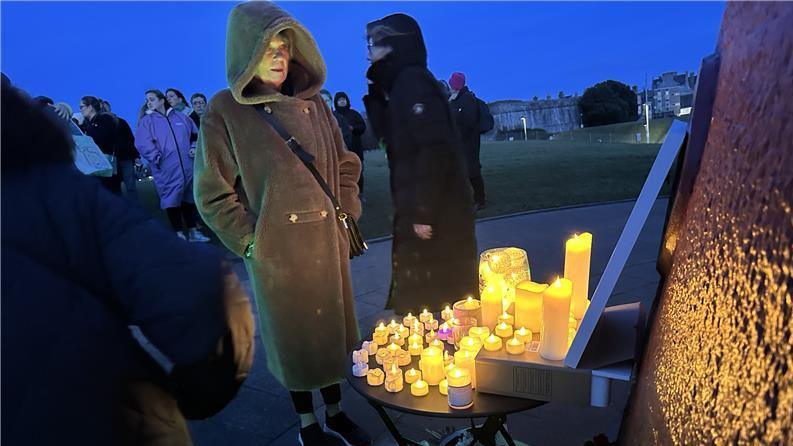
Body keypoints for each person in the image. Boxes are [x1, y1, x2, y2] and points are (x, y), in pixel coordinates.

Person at [1, 83, 254, 445]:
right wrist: (193, 394)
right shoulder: (43, 189)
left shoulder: (170, 119)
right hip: (113, 416)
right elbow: (196, 291)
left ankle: (189, 231)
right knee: (166, 208)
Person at [194, 3, 369, 445]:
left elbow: (347, 165)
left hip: (327, 248)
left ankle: (336, 410)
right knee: (295, 343)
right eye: (266, 47)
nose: (277, 56)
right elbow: (212, 192)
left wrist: (346, 211)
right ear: (244, 52)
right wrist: (253, 241)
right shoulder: (224, 110)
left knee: (328, 336)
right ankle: (307, 425)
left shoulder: (316, 105)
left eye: (283, 47)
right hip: (278, 256)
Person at [363, 13, 478, 314]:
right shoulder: (400, 84)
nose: (369, 53)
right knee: (424, 290)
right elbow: (390, 139)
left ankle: (446, 351)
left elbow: (433, 148)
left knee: (439, 292)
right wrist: (375, 96)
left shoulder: (413, 80)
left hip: (439, 212)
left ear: (393, 46)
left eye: (374, 44)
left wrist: (422, 211)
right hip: (420, 206)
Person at [135, 89, 210, 242]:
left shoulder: (182, 118)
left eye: (152, 99)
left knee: (188, 199)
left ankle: (194, 232)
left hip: (187, 167)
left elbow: (195, 135)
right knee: (171, 200)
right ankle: (179, 234)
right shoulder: (147, 122)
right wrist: (155, 156)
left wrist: (194, 147)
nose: (149, 102)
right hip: (165, 169)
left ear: (162, 100)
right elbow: (142, 143)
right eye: (147, 100)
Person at [448, 72, 486, 210]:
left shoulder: (467, 99)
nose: (450, 87)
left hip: (468, 142)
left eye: (452, 84)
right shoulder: (454, 99)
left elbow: (469, 122)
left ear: (456, 85)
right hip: (458, 143)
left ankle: (480, 200)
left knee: (473, 172)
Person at [102, 99, 143, 204]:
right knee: (115, 187)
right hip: (110, 160)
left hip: (126, 158)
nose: (105, 109)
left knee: (130, 186)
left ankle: (136, 209)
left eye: (106, 107)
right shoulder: (99, 124)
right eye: (102, 107)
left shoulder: (121, 121)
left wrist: (136, 156)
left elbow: (130, 139)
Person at [80, 95, 122, 194]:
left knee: (111, 194)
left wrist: (87, 129)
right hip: (95, 165)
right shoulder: (87, 124)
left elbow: (104, 138)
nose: (80, 110)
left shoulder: (105, 119)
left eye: (82, 107)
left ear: (90, 107)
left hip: (106, 164)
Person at [333, 92, 367, 198]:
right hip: (339, 149)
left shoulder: (354, 114)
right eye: (340, 100)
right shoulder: (333, 115)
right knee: (341, 174)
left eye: (344, 99)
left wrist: (353, 128)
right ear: (336, 102)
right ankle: (343, 196)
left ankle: (360, 194)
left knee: (358, 172)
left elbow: (362, 127)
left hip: (355, 148)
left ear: (347, 101)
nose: (342, 102)